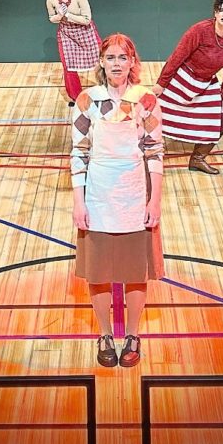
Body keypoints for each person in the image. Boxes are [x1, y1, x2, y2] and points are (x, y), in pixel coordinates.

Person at [70, 33, 164, 367]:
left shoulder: (146, 100)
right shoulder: (86, 100)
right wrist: (79, 202)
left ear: (133, 62)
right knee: (99, 272)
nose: (117, 64)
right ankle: (106, 333)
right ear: (101, 62)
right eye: (110, 58)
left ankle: (133, 334)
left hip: (134, 192)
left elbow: (154, 151)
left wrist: (155, 202)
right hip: (98, 193)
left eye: (123, 58)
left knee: (135, 271)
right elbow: (79, 153)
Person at [153, 0, 223, 175]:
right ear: (215, 13)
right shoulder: (200, 29)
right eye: (221, 10)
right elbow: (177, 56)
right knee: (153, 114)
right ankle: (143, 154)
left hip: (206, 83)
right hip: (182, 79)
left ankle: (197, 159)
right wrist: (161, 84)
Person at [47, 0, 102, 105]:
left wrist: (68, 15)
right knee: (68, 66)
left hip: (85, 31)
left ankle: (107, 89)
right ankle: (75, 97)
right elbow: (51, 18)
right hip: (66, 33)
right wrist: (60, 15)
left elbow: (87, 19)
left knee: (101, 60)